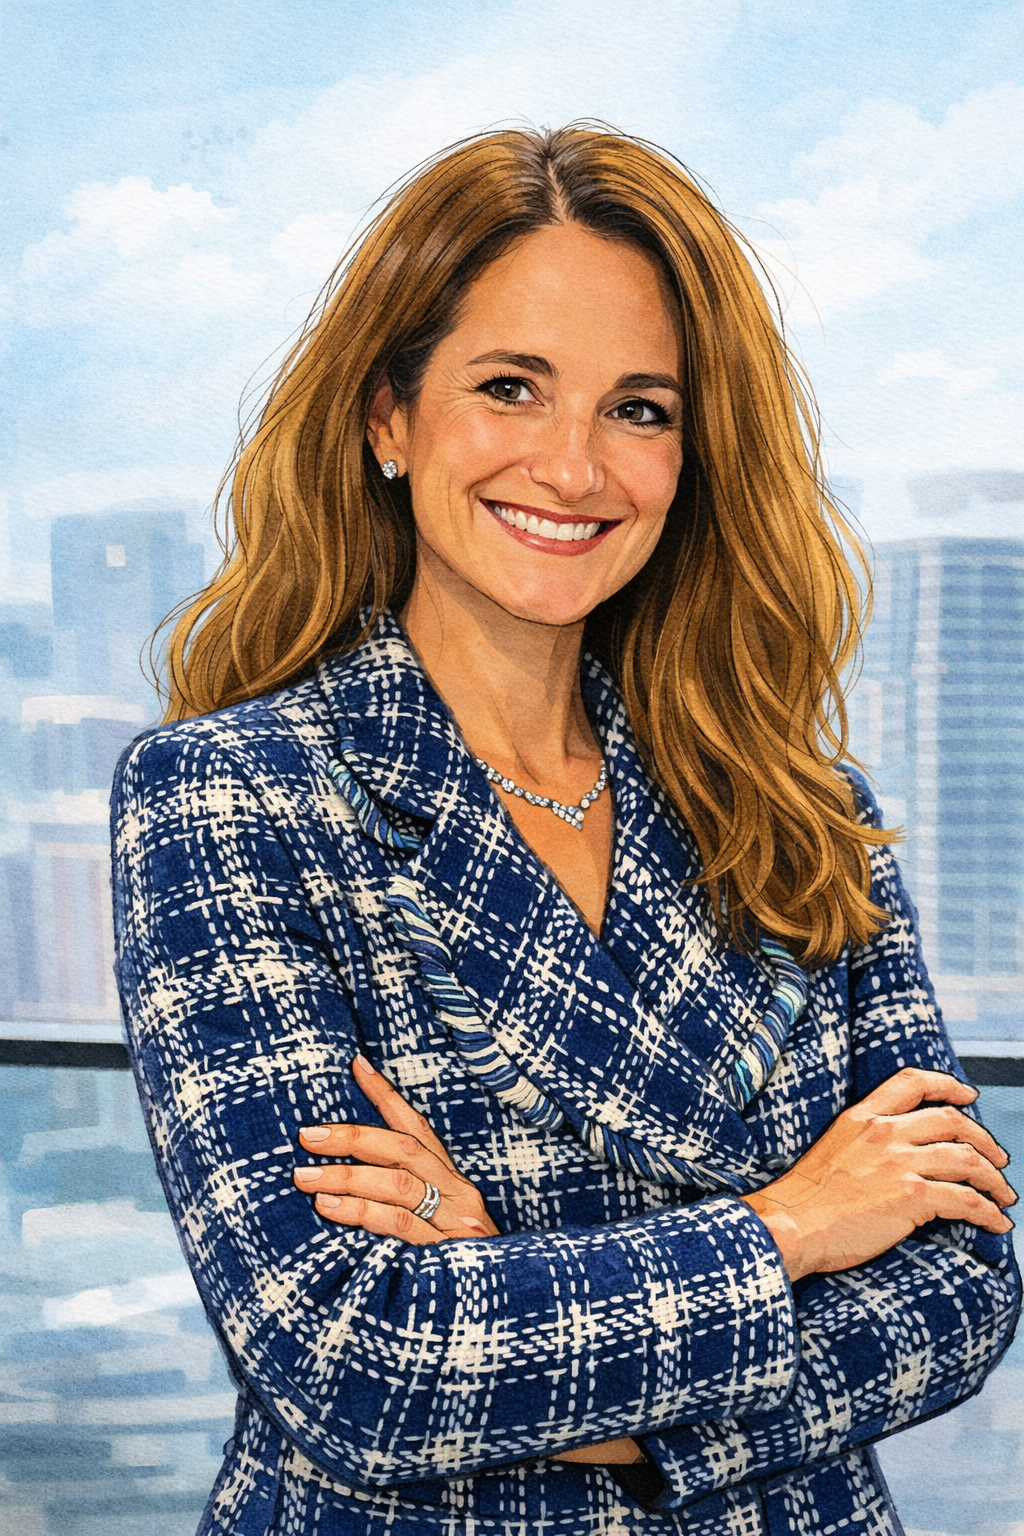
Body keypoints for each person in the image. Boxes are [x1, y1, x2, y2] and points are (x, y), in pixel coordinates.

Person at [111, 125, 1020, 1536]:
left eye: (641, 409)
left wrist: (519, 1308)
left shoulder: (799, 808)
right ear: (388, 417)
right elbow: (355, 1362)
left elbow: (961, 1291)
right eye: (510, 388)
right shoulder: (233, 793)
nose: (575, 465)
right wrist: (791, 1226)